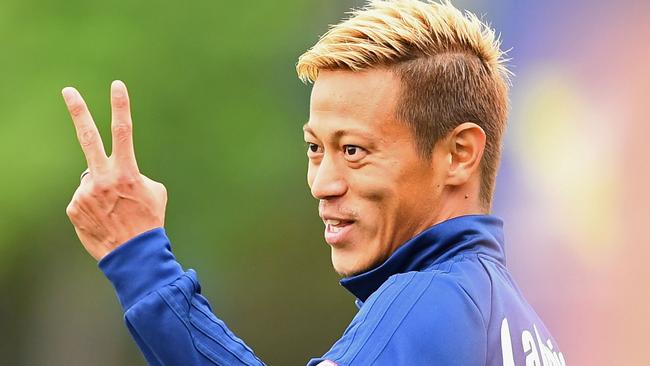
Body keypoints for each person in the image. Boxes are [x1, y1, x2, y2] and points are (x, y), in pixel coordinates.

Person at [61, 1, 566, 365]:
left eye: (353, 150)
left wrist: (138, 257)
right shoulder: (521, 327)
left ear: (458, 155)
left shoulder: (430, 300)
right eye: (314, 149)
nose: (323, 183)